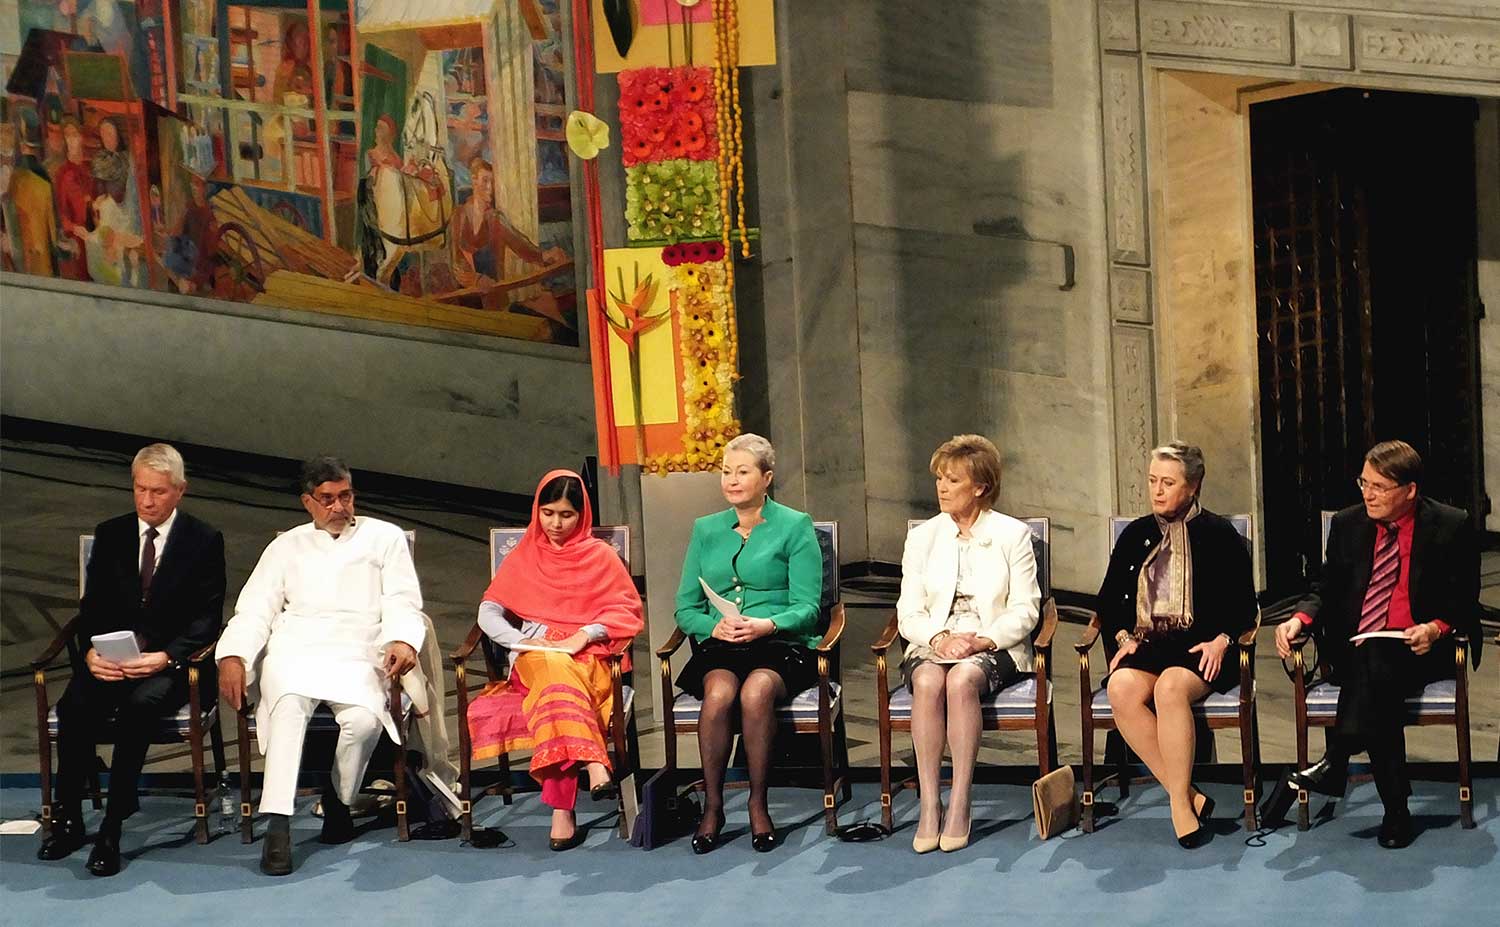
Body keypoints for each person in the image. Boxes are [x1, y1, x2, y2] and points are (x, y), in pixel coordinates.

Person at [216, 456, 423, 875]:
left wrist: (401, 638)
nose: (339, 507)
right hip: (297, 648)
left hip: (358, 648)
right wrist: (233, 655)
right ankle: (278, 825)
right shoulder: (285, 546)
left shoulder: (384, 537)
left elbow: (403, 598)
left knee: (364, 722)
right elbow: (255, 608)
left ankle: (339, 799)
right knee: (289, 709)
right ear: (308, 502)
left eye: (345, 496)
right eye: (327, 499)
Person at [1270, 440, 1480, 849]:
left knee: (1377, 662)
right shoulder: (1349, 523)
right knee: (1373, 665)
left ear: (1411, 490)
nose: (1368, 494)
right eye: (1364, 484)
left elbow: (1464, 599)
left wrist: (1435, 628)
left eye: (1380, 487)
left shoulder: (1450, 524)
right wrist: (1300, 618)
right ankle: (1392, 809)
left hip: (1419, 647)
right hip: (1357, 650)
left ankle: (1338, 761)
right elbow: (1324, 585)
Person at [37, 444, 226, 877]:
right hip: (113, 657)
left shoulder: (203, 539)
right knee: (75, 706)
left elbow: (207, 618)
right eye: (139, 489)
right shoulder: (111, 533)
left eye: (158, 492)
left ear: (180, 490)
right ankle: (67, 816)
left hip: (168, 665)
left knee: (140, 709)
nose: (146, 500)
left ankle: (112, 826)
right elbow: (92, 608)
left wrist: (165, 658)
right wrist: (89, 652)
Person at [469, 470, 643, 850]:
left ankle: (562, 810)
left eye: (566, 514)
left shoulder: (600, 556)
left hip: (588, 657)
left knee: (557, 688)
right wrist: (521, 642)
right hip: (535, 657)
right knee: (553, 667)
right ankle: (595, 762)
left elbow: (627, 612)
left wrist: (585, 633)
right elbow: (488, 611)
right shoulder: (526, 554)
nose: (556, 524)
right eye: (548, 513)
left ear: (582, 516)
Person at [1097, 442, 1256, 848]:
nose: (1157, 491)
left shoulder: (1221, 535)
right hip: (1148, 644)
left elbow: (1245, 607)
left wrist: (1223, 640)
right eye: (1152, 481)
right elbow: (1109, 600)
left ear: (1194, 485)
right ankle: (1185, 792)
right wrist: (1122, 637)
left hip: (1201, 647)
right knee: (1120, 688)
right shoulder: (1136, 534)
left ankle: (1179, 808)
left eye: (1168, 482)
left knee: (1170, 687)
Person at [673, 434, 823, 854]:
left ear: (766, 478)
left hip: (779, 641)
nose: (732, 480)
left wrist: (767, 624)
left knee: (756, 692)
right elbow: (685, 607)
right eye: (726, 472)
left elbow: (808, 607)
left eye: (742, 472)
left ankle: (759, 803)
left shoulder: (795, 525)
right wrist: (711, 627)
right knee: (719, 693)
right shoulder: (705, 529)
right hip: (723, 644)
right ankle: (714, 807)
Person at [897, 434, 1039, 852]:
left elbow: (1026, 609)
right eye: (939, 478)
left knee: (960, 681)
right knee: (927, 682)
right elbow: (908, 611)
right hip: (934, 638)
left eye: (952, 480)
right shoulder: (923, 537)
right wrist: (939, 637)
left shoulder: (1012, 535)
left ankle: (960, 799)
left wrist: (981, 640)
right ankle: (929, 803)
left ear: (979, 486)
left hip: (992, 643)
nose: (941, 488)